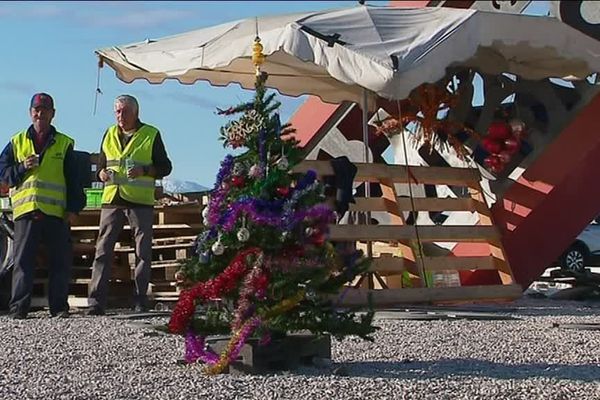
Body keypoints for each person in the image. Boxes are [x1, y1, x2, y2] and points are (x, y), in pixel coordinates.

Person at [0, 93, 85, 319]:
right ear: (31, 113)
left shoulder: (64, 144)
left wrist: (74, 208)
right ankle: (19, 309)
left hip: (55, 213)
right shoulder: (16, 142)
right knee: (22, 263)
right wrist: (21, 167)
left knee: (59, 263)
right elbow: (4, 174)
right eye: (37, 110)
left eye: (45, 110)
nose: (40, 114)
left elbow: (73, 179)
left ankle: (58, 308)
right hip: (26, 212)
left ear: (53, 114)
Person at [87, 95, 172, 315]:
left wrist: (145, 171)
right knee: (102, 251)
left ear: (135, 112)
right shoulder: (108, 134)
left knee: (142, 252)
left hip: (139, 201)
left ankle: (140, 299)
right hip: (112, 199)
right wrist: (101, 173)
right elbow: (101, 165)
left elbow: (165, 167)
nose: (120, 116)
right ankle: (96, 302)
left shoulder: (150, 134)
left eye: (124, 111)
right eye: (117, 111)